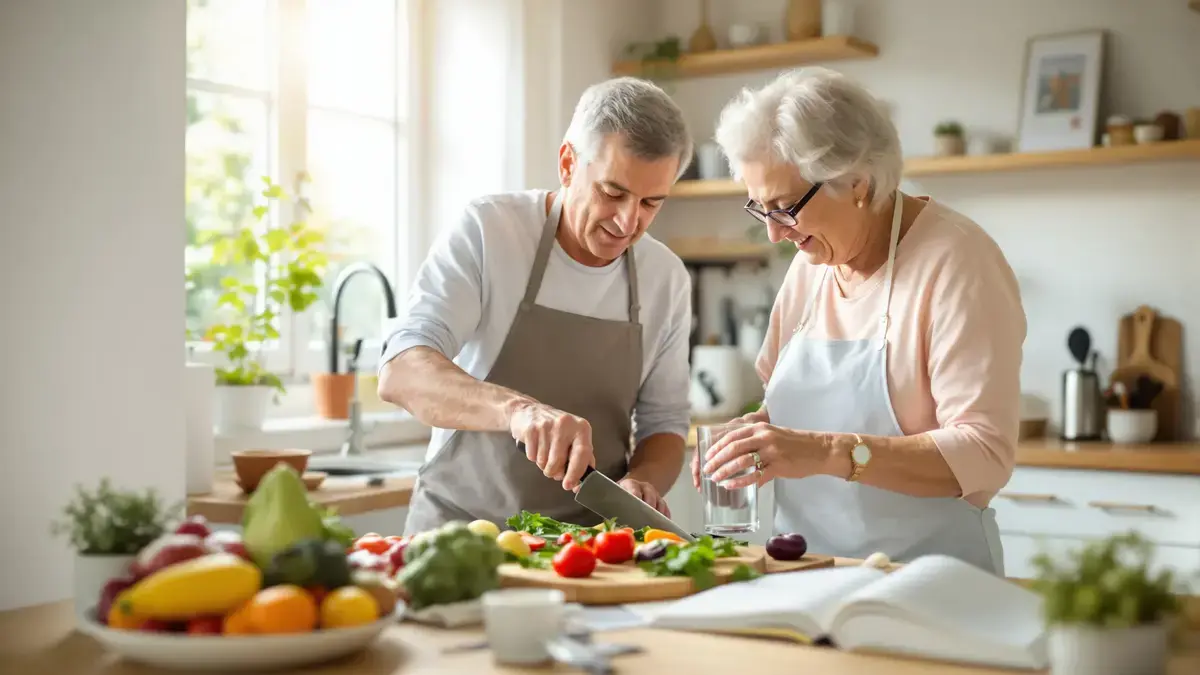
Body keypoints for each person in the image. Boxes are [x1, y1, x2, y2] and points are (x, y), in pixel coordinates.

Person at [694, 67, 1026, 575]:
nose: (774, 236)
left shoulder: (958, 262)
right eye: (760, 210)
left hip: (930, 583)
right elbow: (787, 413)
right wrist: (754, 439)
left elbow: (984, 453)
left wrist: (828, 451)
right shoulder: (812, 268)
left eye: (785, 209)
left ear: (859, 185)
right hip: (806, 573)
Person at [378, 77, 694, 534]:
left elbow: (664, 423)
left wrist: (641, 481)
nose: (628, 221)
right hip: (459, 535)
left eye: (651, 203)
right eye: (612, 193)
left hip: (588, 548)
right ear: (568, 163)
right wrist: (518, 411)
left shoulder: (665, 278)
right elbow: (402, 371)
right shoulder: (490, 231)